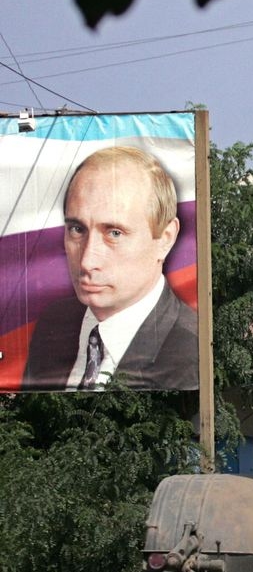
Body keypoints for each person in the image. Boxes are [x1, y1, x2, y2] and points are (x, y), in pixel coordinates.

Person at [21, 146, 198, 391]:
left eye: (114, 233)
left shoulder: (190, 351)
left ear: (166, 238)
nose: (86, 261)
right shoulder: (54, 324)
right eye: (77, 229)